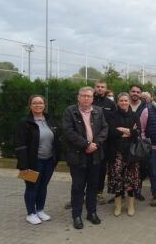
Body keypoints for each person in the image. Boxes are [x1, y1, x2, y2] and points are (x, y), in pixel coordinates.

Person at [63, 86, 108, 230]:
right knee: (78, 187)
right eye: (83, 95)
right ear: (78, 97)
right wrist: (86, 144)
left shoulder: (98, 111)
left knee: (93, 186)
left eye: (89, 96)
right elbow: (68, 132)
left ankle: (92, 213)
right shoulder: (70, 111)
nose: (86, 98)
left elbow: (104, 129)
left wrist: (96, 144)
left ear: (93, 98)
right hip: (77, 156)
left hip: (95, 155)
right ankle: (76, 215)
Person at [16, 95, 61, 225]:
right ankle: (31, 213)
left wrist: (56, 158)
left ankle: (40, 210)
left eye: (40, 103)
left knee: (43, 187)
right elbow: (20, 145)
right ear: (30, 105)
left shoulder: (50, 119)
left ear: (44, 105)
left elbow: (57, 140)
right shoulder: (24, 122)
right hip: (32, 162)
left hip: (49, 161)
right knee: (31, 187)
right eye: (35, 103)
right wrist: (23, 165)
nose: (38, 105)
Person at [107, 93, 140, 217]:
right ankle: (118, 205)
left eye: (126, 100)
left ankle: (131, 205)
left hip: (131, 153)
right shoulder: (112, 116)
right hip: (116, 153)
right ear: (117, 102)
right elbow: (110, 132)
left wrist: (124, 130)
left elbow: (138, 132)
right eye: (121, 100)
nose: (124, 103)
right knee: (117, 178)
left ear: (129, 102)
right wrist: (128, 132)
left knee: (130, 178)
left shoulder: (134, 115)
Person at [93, 80, 116, 204]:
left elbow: (113, 121)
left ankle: (99, 192)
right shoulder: (89, 100)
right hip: (90, 141)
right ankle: (86, 192)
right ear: (94, 88)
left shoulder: (110, 103)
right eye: (98, 87)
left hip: (105, 142)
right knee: (89, 167)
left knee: (102, 168)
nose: (100, 89)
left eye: (102, 87)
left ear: (105, 89)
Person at [129, 85, 148, 201]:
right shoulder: (123, 104)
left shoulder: (146, 106)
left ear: (141, 94)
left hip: (140, 141)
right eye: (133, 91)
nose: (135, 93)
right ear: (129, 92)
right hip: (124, 141)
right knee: (124, 167)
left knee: (141, 167)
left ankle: (137, 190)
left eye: (138, 92)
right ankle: (120, 193)